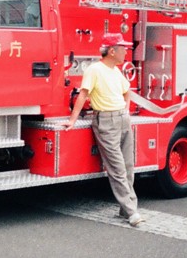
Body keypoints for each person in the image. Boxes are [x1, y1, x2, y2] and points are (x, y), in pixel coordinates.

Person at [64, 32, 144, 227]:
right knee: (117, 169)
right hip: (106, 121)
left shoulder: (116, 71)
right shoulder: (95, 70)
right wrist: (72, 120)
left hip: (121, 120)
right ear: (111, 50)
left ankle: (125, 210)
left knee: (128, 167)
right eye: (122, 48)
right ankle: (132, 212)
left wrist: (125, 112)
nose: (126, 51)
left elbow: (127, 92)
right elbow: (83, 95)